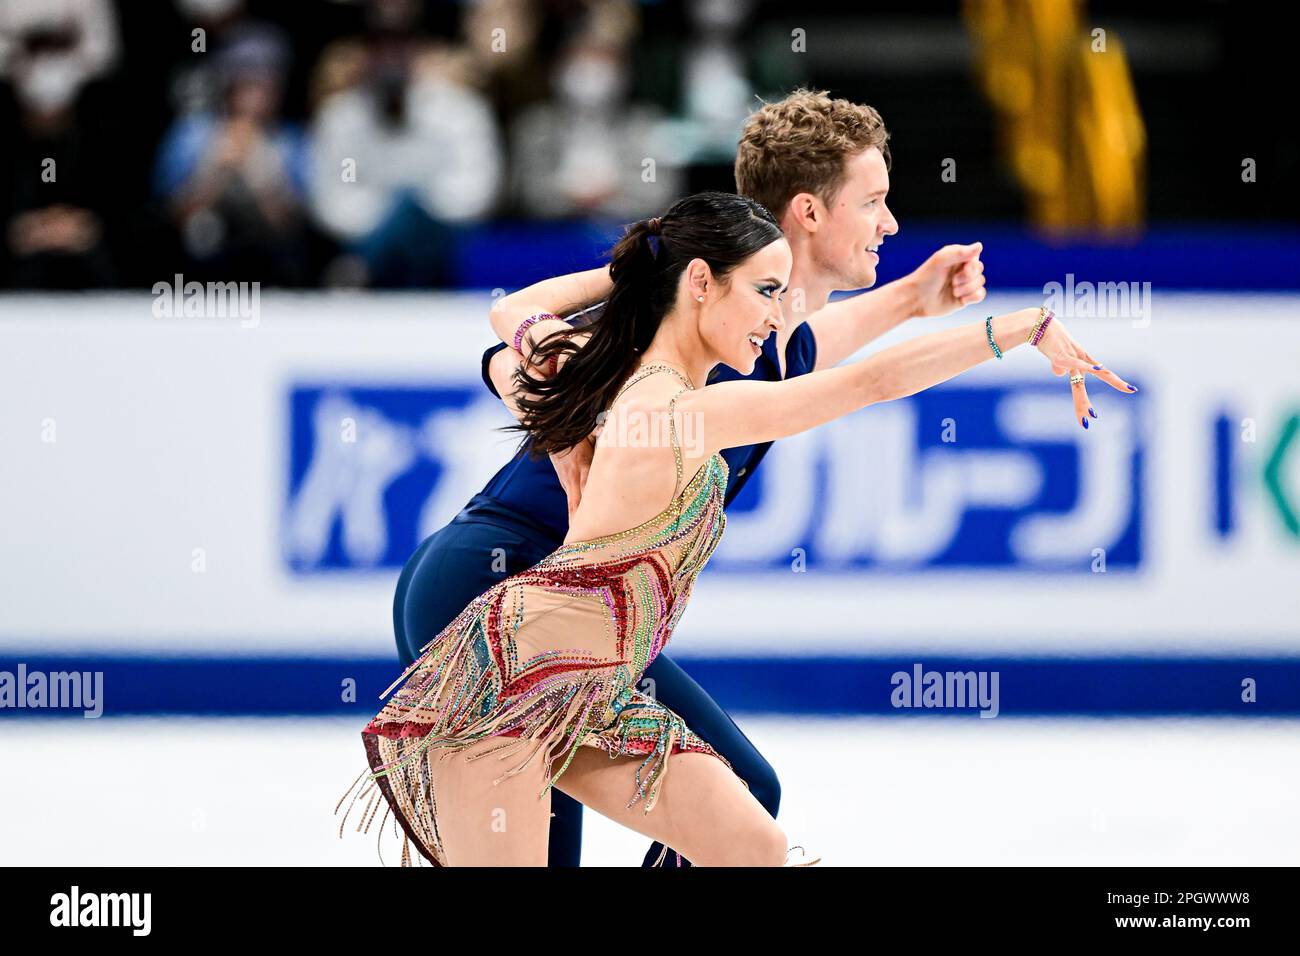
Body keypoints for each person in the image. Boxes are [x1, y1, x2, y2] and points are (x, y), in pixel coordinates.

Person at [338, 191, 1134, 867]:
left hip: (598, 687)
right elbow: (869, 382)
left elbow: (511, 335)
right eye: (763, 292)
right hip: (504, 685)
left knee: (752, 845)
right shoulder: (679, 408)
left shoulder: (623, 380)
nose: (775, 318)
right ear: (699, 283)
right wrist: (1018, 329)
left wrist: (574, 342)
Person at [390, 90, 997, 868]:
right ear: (809, 213)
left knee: (740, 798)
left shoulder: (761, 347)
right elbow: (518, 325)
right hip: (496, 582)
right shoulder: (683, 312)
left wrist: (916, 297)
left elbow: (820, 343)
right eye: (874, 202)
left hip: (573, 612)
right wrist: (537, 362)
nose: (891, 223)